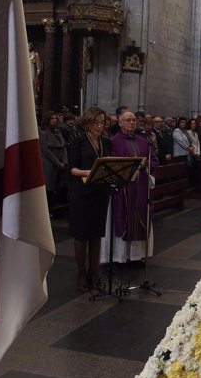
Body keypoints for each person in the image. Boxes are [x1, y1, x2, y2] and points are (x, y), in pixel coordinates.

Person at [101, 111, 158, 265]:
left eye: (133, 120)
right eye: (128, 120)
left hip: (140, 186)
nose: (132, 122)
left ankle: (136, 256)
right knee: (122, 218)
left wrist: (146, 164)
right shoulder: (113, 141)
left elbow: (154, 159)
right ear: (120, 123)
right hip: (123, 188)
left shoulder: (143, 141)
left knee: (139, 217)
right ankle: (119, 257)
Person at [67, 106, 112, 291]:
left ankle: (94, 273)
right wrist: (90, 171)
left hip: (100, 191)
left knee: (96, 234)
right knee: (81, 234)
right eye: (96, 122)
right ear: (87, 122)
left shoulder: (106, 142)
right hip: (82, 192)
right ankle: (81, 274)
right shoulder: (78, 141)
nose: (99, 126)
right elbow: (72, 168)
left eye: (102, 122)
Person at [38, 111, 68, 210]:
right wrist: (58, 163)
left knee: (58, 187)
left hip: (60, 162)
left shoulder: (58, 131)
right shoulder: (43, 132)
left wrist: (64, 161)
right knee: (48, 188)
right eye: (52, 118)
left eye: (56, 118)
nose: (54, 120)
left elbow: (63, 147)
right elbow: (46, 150)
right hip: (49, 163)